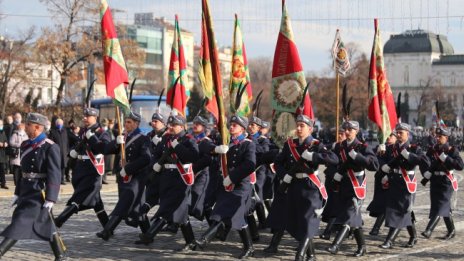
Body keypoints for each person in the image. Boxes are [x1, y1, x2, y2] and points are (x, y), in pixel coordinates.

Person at [0, 113, 66, 260]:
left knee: (20, 221)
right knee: (46, 221)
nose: (25, 126)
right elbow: (23, 172)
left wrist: (51, 198)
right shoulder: (25, 144)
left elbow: (54, 174)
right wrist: (17, 192)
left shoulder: (50, 146)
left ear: (37, 127)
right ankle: (60, 255)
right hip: (26, 190)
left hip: (39, 191)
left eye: (28, 124)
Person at [276, 114, 338, 261]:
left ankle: (300, 255)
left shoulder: (316, 144)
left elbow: (334, 159)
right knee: (299, 221)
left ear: (310, 129)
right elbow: (277, 163)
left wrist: (314, 157)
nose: (298, 128)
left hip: (310, 187)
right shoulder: (289, 144)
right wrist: (284, 175)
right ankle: (312, 255)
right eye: (297, 125)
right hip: (293, 186)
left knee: (308, 220)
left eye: (302, 126)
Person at [195, 115, 256, 259]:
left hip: (240, 185)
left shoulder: (248, 144)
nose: (232, 126)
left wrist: (232, 177)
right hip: (225, 185)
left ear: (242, 128)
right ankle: (249, 247)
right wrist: (216, 149)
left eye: (235, 125)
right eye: (231, 124)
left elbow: (250, 165)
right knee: (222, 213)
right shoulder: (224, 141)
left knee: (233, 214)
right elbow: (202, 145)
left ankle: (205, 238)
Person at [136, 112, 199, 252]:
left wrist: (178, 146)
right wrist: (156, 165)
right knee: (179, 211)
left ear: (182, 126)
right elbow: (156, 154)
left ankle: (149, 234)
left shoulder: (189, 140)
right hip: (166, 178)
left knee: (167, 207)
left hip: (181, 178)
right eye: (170, 124)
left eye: (174, 125)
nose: (170, 127)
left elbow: (193, 157)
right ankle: (191, 241)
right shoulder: (166, 139)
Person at [326, 120, 379, 257]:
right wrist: (337, 174)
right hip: (343, 184)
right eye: (346, 129)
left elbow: (374, 165)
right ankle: (362, 247)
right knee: (353, 217)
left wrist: (358, 157)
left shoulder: (362, 147)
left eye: (350, 129)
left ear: (357, 131)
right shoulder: (340, 146)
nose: (347, 132)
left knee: (349, 215)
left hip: (357, 185)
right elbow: (333, 159)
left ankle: (336, 245)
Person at [96, 111, 151, 241]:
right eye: (125, 122)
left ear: (136, 124)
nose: (125, 124)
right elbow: (106, 150)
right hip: (122, 177)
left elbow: (146, 158)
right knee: (136, 206)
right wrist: (116, 142)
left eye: (129, 122)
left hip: (136, 177)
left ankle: (107, 230)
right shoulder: (122, 137)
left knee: (124, 203)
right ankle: (148, 234)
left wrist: (128, 169)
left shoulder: (143, 138)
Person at [54, 108, 111, 230]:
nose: (85, 118)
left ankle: (60, 220)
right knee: (96, 202)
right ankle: (108, 228)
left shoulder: (101, 132)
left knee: (80, 197)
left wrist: (92, 138)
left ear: (95, 117)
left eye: (88, 116)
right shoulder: (83, 131)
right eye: (84, 115)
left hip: (93, 170)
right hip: (80, 169)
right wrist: (74, 151)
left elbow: (105, 148)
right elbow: (80, 145)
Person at [379, 123, 430, 249]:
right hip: (394, 181)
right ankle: (413, 236)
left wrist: (409, 155)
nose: (398, 134)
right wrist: (380, 152)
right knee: (397, 210)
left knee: (402, 211)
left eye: (401, 132)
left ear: (408, 133)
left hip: (407, 182)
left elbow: (422, 160)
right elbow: (381, 160)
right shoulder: (392, 147)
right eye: (397, 132)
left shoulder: (414, 148)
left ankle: (389, 241)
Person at [421, 125, 463, 240]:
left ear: (446, 138)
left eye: (440, 136)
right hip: (435, 180)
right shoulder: (432, 149)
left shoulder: (452, 150)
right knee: (439, 206)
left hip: (446, 181)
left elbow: (460, 165)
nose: (437, 138)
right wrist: (426, 173)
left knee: (440, 206)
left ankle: (428, 230)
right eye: (437, 136)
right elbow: (425, 161)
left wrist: (447, 159)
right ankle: (451, 230)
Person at [138, 111, 167, 233]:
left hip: (165, 176)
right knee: (146, 204)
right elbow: (144, 152)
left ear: (163, 123)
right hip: (152, 176)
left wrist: (160, 144)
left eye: (157, 122)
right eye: (153, 121)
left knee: (168, 206)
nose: (154, 124)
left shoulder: (168, 136)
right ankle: (147, 233)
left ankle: (173, 225)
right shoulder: (149, 136)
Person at [367, 132, 397, 236]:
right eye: (387, 135)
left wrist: (389, 172)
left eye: (391, 136)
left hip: (392, 178)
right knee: (381, 203)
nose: (388, 137)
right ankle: (410, 223)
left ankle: (376, 228)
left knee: (387, 204)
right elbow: (373, 159)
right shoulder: (381, 147)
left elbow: (398, 163)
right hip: (380, 178)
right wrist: (378, 152)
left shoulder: (396, 148)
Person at [319, 126, 346, 240]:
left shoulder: (350, 147)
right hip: (330, 177)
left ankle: (328, 231)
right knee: (331, 204)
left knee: (338, 205)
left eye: (342, 133)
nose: (339, 136)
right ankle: (340, 227)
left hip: (342, 179)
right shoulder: (334, 146)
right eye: (338, 133)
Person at [247, 116, 270, 234]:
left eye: (253, 125)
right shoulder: (245, 138)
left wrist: (253, 140)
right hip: (247, 171)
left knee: (257, 194)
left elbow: (264, 152)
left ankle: (263, 221)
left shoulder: (263, 139)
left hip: (259, 170)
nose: (250, 127)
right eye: (249, 124)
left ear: (259, 128)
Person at [189, 116, 213, 222]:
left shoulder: (206, 141)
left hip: (201, 174)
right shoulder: (190, 139)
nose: (194, 125)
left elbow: (207, 159)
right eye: (194, 123)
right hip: (189, 174)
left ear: (203, 127)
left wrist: (192, 169)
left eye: (197, 124)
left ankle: (216, 226)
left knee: (197, 200)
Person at [48, 118, 70, 185]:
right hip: (57, 152)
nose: (59, 124)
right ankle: (56, 179)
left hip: (64, 152)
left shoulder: (65, 131)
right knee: (57, 166)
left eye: (61, 123)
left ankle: (62, 180)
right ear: (56, 124)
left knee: (63, 166)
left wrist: (67, 150)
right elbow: (50, 142)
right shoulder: (53, 131)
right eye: (58, 123)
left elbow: (67, 141)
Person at [0, 120, 8, 189]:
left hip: (2, 154)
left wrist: (6, 143)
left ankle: (3, 183)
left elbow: (5, 140)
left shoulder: (3, 132)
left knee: (2, 169)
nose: (1, 126)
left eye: (1, 124)